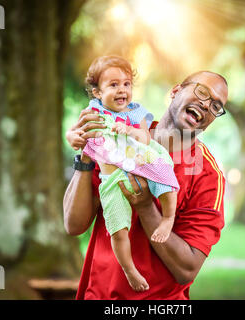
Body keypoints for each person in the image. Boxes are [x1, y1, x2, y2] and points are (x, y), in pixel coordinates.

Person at [63, 69, 228, 300]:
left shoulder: (208, 177)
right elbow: (73, 225)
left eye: (216, 106)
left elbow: (187, 270)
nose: (206, 104)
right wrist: (87, 154)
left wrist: (145, 207)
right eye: (202, 92)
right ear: (175, 91)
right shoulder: (117, 135)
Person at [72, 55, 179, 291]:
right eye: (113, 85)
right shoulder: (93, 112)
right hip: (112, 179)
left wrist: (129, 129)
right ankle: (129, 269)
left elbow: (145, 137)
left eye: (127, 84)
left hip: (140, 162)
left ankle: (168, 218)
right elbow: (73, 132)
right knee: (117, 230)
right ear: (98, 93)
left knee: (166, 176)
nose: (122, 90)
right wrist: (74, 138)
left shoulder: (135, 112)